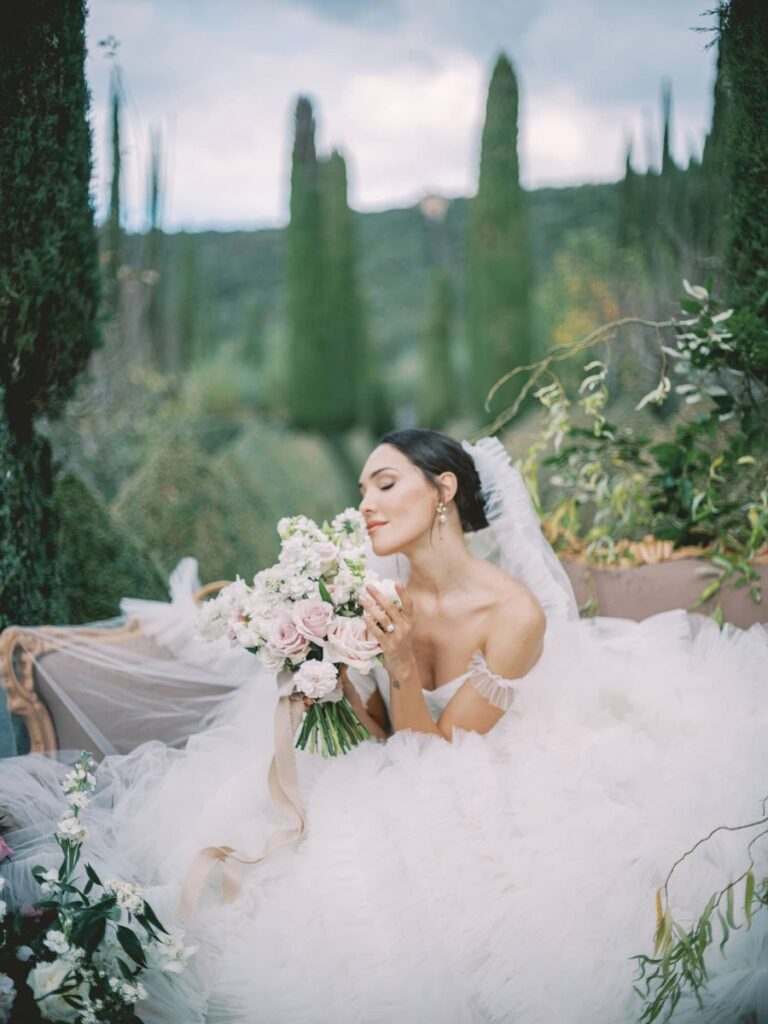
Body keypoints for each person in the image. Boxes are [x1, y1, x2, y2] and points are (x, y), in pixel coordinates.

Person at [1, 429, 767, 1024]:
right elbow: (377, 739)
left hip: (480, 773)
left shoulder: (514, 615)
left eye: (384, 482)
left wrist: (400, 665)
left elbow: (434, 757)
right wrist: (330, 681)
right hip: (396, 760)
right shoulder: (367, 586)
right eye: (361, 485)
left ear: (444, 490)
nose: (364, 501)